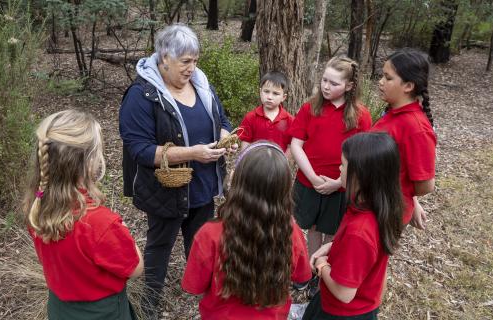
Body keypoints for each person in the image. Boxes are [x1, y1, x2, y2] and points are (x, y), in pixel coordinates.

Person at [118, 24, 236, 317]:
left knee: (201, 244)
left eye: (195, 60)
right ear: (164, 58)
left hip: (203, 186)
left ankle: (206, 298)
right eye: (185, 62)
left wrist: (225, 136)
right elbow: (140, 150)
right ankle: (149, 306)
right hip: (166, 189)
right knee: (159, 246)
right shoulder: (141, 95)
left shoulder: (200, 83)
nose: (191, 68)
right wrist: (194, 153)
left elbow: (221, 117)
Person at [24, 110, 143, 319]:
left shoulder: (37, 205)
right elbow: (135, 268)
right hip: (102, 313)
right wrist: (123, 233)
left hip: (61, 309)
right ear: (88, 163)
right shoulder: (100, 224)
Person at [181, 142, 311, 319]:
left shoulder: (209, 234)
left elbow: (194, 286)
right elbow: (301, 275)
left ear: (239, 182)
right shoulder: (290, 231)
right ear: (284, 189)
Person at [303, 132, 404, 320]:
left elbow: (344, 293)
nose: (339, 168)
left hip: (342, 313)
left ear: (361, 175)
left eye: (343, 164)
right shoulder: (377, 207)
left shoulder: (359, 231)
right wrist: (332, 246)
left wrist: (322, 265)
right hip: (363, 303)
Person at [288, 56, 372, 264]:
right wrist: (314, 178)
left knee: (333, 230)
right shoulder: (310, 108)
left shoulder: (361, 116)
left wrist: (338, 183)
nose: (326, 86)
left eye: (334, 83)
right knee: (313, 227)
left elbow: (363, 157)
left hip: (342, 186)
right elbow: (296, 145)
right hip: (309, 182)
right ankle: (311, 266)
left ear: (349, 86)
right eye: (324, 80)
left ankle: (324, 268)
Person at [371, 48, 436, 229]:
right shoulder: (393, 112)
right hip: (371, 203)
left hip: (385, 212)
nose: (381, 82)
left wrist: (406, 196)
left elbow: (425, 185)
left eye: (388, 78)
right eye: (382, 76)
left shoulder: (416, 129)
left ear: (408, 86)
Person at [238, 71, 294, 153]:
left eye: (275, 93)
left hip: (280, 164)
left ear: (283, 97)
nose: (269, 97)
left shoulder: (290, 120)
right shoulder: (250, 117)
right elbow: (245, 143)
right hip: (255, 163)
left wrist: (284, 162)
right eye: (266, 91)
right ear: (260, 92)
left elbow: (291, 146)